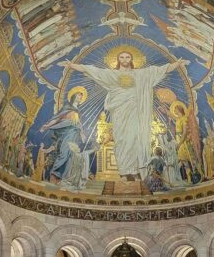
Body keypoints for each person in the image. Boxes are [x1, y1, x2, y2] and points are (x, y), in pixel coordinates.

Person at [61, 51, 188, 181]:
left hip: (135, 111)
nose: (125, 59)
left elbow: (160, 70)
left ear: (131, 59)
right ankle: (124, 172)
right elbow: (93, 71)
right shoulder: (112, 74)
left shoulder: (141, 74)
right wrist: (72, 65)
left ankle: (135, 171)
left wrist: (177, 64)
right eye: (122, 57)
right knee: (121, 139)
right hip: (119, 112)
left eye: (127, 57)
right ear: (118, 59)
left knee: (134, 138)